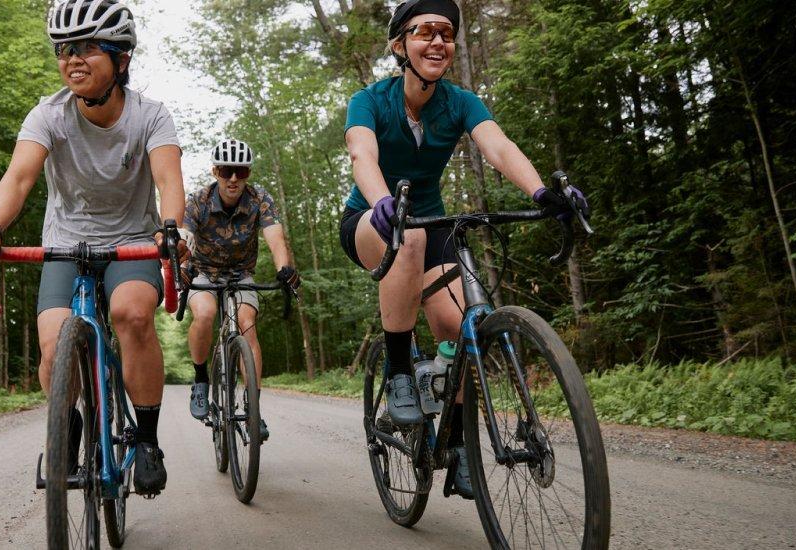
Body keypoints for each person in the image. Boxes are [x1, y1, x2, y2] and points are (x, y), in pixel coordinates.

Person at [339, 0, 587, 498]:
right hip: (373, 221)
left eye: (447, 33)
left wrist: (541, 193)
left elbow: (498, 146)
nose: (438, 41)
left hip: (433, 224)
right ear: (399, 45)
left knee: (461, 327)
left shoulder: (460, 101)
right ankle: (399, 368)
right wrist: (382, 200)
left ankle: (456, 445)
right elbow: (361, 152)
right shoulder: (370, 99)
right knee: (405, 236)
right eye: (425, 31)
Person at [0, 0, 186, 497]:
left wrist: (171, 229)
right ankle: (70, 422)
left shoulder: (151, 116)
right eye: (64, 49)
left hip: (130, 242)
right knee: (52, 342)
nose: (72, 60)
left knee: (131, 314)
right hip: (65, 243)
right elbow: (18, 179)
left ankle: (146, 440)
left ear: (121, 58)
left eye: (88, 48)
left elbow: (170, 181)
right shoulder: (49, 114)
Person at [182, 139, 301, 441]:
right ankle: (200, 382)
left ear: (247, 173)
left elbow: (275, 237)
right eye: (226, 170)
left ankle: (253, 409)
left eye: (240, 171)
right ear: (215, 171)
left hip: (240, 274)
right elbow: (185, 240)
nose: (233, 178)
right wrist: (182, 270)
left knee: (248, 326)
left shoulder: (260, 198)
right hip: (204, 273)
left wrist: (284, 269)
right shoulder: (198, 200)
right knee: (206, 314)